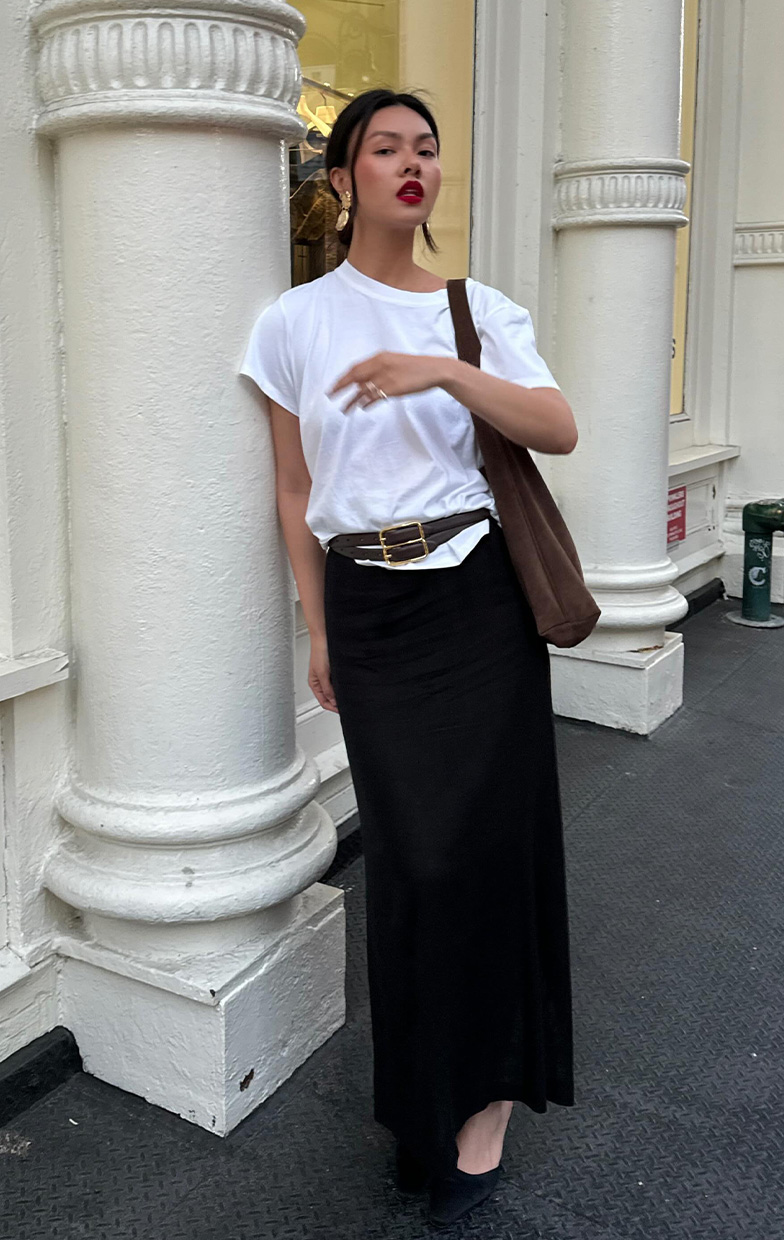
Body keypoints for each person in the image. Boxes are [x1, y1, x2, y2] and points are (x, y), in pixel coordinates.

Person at [239, 86, 577, 1230]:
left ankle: (480, 1111)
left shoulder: (481, 310)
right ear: (341, 179)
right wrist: (320, 625)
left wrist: (442, 369)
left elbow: (556, 425)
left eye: (425, 148)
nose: (409, 163)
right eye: (384, 147)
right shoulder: (294, 323)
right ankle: (422, 1104)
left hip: (479, 601)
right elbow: (294, 490)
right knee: (414, 866)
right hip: (372, 611)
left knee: (485, 854)